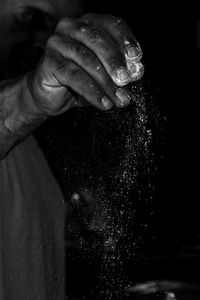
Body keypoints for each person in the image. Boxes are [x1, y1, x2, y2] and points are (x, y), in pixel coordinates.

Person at [0, 0, 144, 298]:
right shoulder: (14, 114)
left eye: (60, 29)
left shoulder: (27, 147)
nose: (49, 41)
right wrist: (27, 97)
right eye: (33, 19)